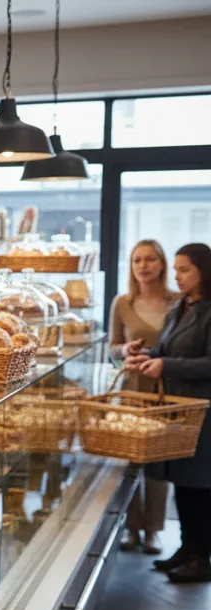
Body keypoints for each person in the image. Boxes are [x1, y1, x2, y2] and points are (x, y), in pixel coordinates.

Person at [126, 242, 211, 584]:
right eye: (175, 269)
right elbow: (164, 348)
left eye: (185, 269)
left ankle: (201, 557)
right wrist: (141, 354)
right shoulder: (181, 308)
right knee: (184, 483)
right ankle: (187, 549)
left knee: (202, 486)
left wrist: (165, 364)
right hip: (177, 410)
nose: (177, 276)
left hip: (203, 412)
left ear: (204, 271)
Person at [110, 240, 179, 554]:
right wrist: (125, 350)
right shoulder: (121, 303)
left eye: (150, 259)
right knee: (131, 459)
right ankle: (131, 527)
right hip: (133, 387)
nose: (143, 266)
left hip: (167, 388)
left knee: (158, 461)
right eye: (137, 260)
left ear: (162, 264)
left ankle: (153, 530)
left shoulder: (177, 302)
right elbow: (111, 348)